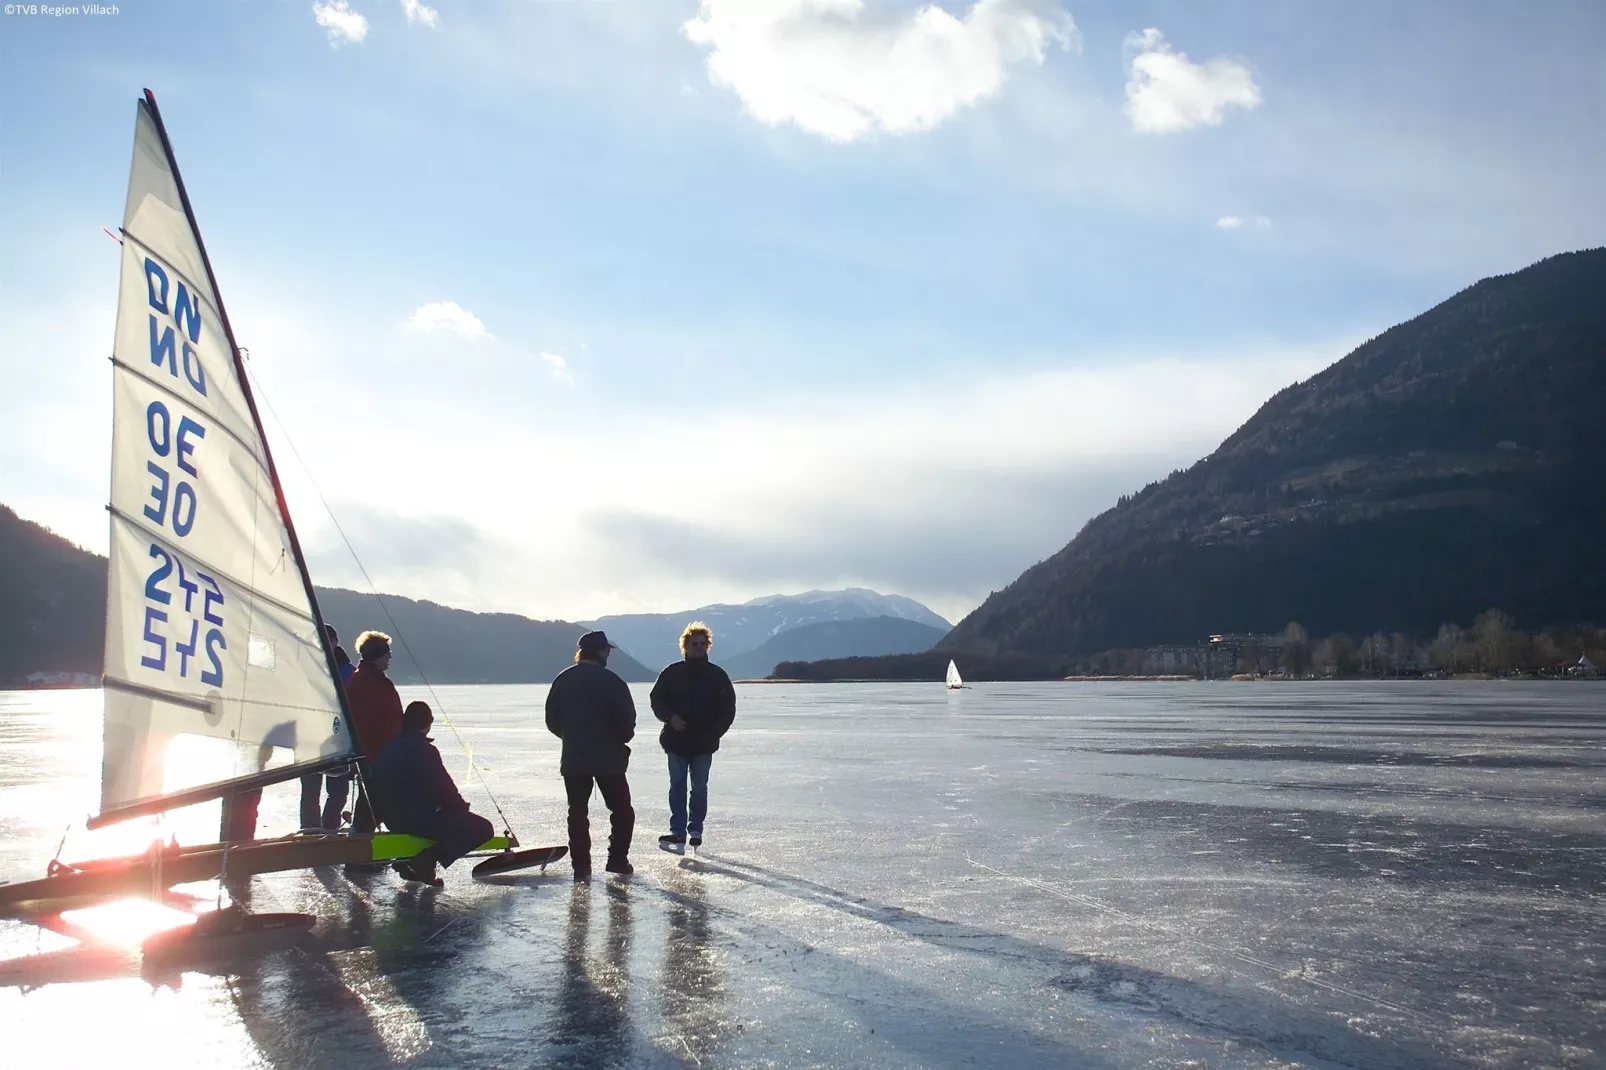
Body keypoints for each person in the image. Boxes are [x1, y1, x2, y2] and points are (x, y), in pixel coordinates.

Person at [370, 701, 494, 887]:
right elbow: (443, 789)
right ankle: (425, 861)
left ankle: (412, 864)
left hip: (393, 819)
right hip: (418, 819)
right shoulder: (424, 750)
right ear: (428, 723)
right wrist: (460, 809)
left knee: (441, 820)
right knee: (483, 829)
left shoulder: (388, 748)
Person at [545, 630, 636, 879]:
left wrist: (572, 738)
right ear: (600, 652)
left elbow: (551, 720)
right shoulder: (612, 682)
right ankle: (617, 860)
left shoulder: (562, 680)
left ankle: (581, 867)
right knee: (622, 811)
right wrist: (618, 740)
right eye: (607, 650)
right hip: (610, 760)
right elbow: (627, 723)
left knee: (577, 813)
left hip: (574, 758)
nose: (608, 654)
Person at [650, 622, 736, 849]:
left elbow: (728, 708)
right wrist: (670, 718)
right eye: (693, 643)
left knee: (699, 787)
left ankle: (695, 828)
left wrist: (715, 732)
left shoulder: (717, 675)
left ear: (708, 646)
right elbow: (656, 699)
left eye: (702, 644)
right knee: (677, 786)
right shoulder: (671, 673)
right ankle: (677, 831)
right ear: (685, 646)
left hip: (703, 743)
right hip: (676, 741)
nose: (698, 647)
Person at [345, 630, 404, 839]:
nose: (389, 657)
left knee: (374, 802)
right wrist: (395, 743)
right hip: (376, 754)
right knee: (373, 801)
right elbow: (369, 723)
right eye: (387, 653)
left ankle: (362, 844)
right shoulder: (364, 682)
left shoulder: (374, 680)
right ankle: (359, 848)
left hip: (384, 752)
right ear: (377, 655)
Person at [300, 623, 358, 830]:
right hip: (308, 739)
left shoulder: (348, 672)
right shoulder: (304, 667)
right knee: (310, 793)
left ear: (335, 642)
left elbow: (355, 709)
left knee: (339, 792)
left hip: (337, 740)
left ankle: (329, 830)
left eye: (327, 640)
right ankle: (310, 833)